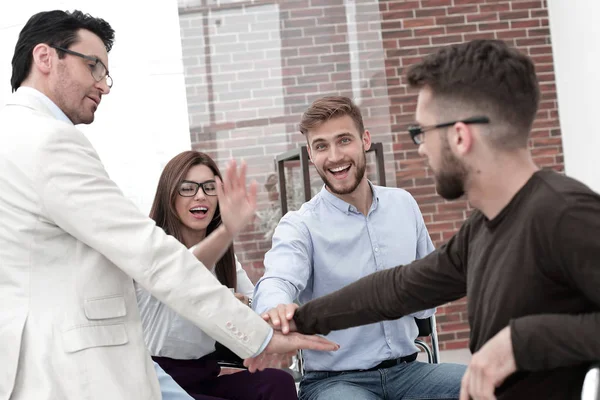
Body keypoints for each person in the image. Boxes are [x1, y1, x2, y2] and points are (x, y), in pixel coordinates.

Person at [0, 9, 337, 400]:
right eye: (93, 66)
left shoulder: (11, 136)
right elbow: (150, 255)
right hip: (74, 373)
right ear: (45, 58)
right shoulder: (49, 141)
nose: (103, 85)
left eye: (105, 73)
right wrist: (258, 338)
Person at [252, 39, 600, 400]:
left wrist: (520, 341)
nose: (421, 148)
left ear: (460, 136)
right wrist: (297, 322)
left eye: (422, 132)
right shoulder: (481, 230)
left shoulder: (564, 213)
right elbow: (396, 289)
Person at [252, 96, 466, 400]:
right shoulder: (300, 225)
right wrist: (276, 308)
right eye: (322, 146)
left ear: (365, 140)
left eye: (344, 140)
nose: (335, 156)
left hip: (409, 373)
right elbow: (278, 280)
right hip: (336, 383)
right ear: (311, 155)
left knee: (502, 384)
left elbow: (428, 298)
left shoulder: (403, 204)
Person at [136, 150, 298, 399]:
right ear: (170, 195)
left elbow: (257, 305)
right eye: (188, 188)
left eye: (209, 187)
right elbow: (182, 274)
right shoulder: (154, 248)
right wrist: (228, 230)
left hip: (204, 375)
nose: (200, 195)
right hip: (156, 380)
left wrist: (250, 306)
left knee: (277, 383)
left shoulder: (225, 258)